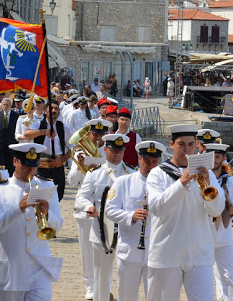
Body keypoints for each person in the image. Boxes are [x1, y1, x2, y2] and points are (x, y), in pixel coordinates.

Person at [146, 124, 225, 301]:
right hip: (166, 253)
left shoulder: (207, 174)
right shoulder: (158, 174)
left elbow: (217, 210)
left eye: (191, 144)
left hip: (199, 253)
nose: (187, 149)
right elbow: (157, 207)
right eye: (181, 144)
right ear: (171, 144)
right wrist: (182, 182)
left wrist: (208, 184)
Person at [0, 142, 64, 300]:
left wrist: (47, 215)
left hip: (39, 268)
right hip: (10, 270)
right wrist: (17, 209)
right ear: (15, 162)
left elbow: (58, 225)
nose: (31, 170)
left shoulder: (46, 186)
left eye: (34, 166)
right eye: (26, 165)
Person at [76, 133, 136, 301]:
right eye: (113, 150)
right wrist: (89, 207)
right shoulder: (95, 173)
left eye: (120, 150)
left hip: (126, 229)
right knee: (101, 275)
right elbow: (81, 196)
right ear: (105, 149)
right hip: (101, 228)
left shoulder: (131, 173)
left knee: (127, 273)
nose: (117, 154)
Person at [105, 140, 165, 301]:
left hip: (156, 251)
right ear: (139, 159)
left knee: (156, 296)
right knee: (126, 295)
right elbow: (109, 209)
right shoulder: (123, 182)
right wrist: (130, 216)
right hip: (130, 250)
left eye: (154, 162)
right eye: (147, 161)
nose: (151, 166)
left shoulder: (165, 185)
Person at [68, 118, 110, 300]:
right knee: (86, 247)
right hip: (85, 203)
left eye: (101, 134)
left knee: (107, 246)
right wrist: (81, 166)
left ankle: (105, 285)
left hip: (104, 204)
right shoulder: (80, 152)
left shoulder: (108, 152)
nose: (97, 138)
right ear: (88, 133)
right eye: (95, 134)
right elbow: (71, 181)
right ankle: (90, 285)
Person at [206, 143, 233, 301]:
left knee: (228, 272)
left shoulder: (231, 183)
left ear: (223, 158)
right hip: (203, 232)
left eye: (218, 157)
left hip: (223, 234)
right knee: (204, 272)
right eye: (212, 156)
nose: (214, 160)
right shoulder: (200, 179)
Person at [27, 100, 72, 201]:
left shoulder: (64, 128)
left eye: (56, 109)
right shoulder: (38, 125)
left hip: (57, 165)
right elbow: (27, 134)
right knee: (40, 197)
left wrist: (62, 160)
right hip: (41, 167)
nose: (54, 110)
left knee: (57, 196)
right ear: (45, 111)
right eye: (51, 108)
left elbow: (72, 148)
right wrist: (44, 132)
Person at [0, 98, 19, 174]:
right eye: (4, 104)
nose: (5, 106)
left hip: (11, 144)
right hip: (0, 145)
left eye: (7, 105)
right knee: (0, 165)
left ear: (11, 105)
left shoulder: (16, 116)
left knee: (10, 166)